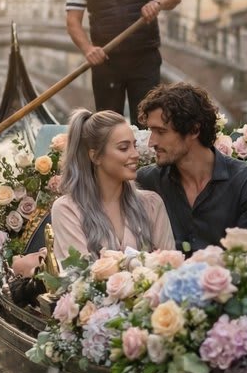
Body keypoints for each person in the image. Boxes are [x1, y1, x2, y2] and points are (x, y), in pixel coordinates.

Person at [135, 82, 247, 255]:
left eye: (161, 132)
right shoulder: (146, 181)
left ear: (194, 130)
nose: (151, 142)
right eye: (151, 131)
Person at [50, 108, 175, 262]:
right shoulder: (67, 210)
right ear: (95, 156)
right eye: (123, 148)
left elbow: (170, 270)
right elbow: (77, 279)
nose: (135, 154)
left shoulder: (152, 204)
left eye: (134, 146)